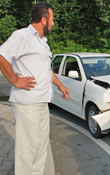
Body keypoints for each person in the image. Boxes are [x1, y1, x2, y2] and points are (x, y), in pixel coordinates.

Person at [0, 2, 69, 175]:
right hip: (27, 103)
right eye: (52, 20)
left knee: (40, 147)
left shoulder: (42, 41)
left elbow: (45, 70)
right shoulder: (22, 35)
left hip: (42, 102)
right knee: (28, 150)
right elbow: (2, 55)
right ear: (43, 20)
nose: (53, 24)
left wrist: (60, 84)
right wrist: (15, 80)